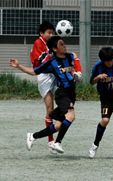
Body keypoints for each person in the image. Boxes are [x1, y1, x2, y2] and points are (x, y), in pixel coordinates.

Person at [10, 36, 82, 154]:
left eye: (64, 43)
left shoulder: (70, 57)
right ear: (54, 48)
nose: (65, 46)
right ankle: (57, 143)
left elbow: (76, 63)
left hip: (71, 93)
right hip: (62, 93)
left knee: (58, 125)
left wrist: (78, 74)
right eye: (61, 44)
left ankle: (33, 136)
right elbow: (34, 72)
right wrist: (19, 66)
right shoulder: (51, 63)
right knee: (71, 116)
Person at [9, 21, 57, 153]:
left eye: (52, 32)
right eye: (49, 32)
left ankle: (51, 141)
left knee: (54, 108)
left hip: (52, 75)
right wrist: (53, 55)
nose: (51, 34)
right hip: (44, 76)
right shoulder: (38, 43)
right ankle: (50, 141)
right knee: (49, 109)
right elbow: (39, 62)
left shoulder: (48, 43)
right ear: (41, 33)